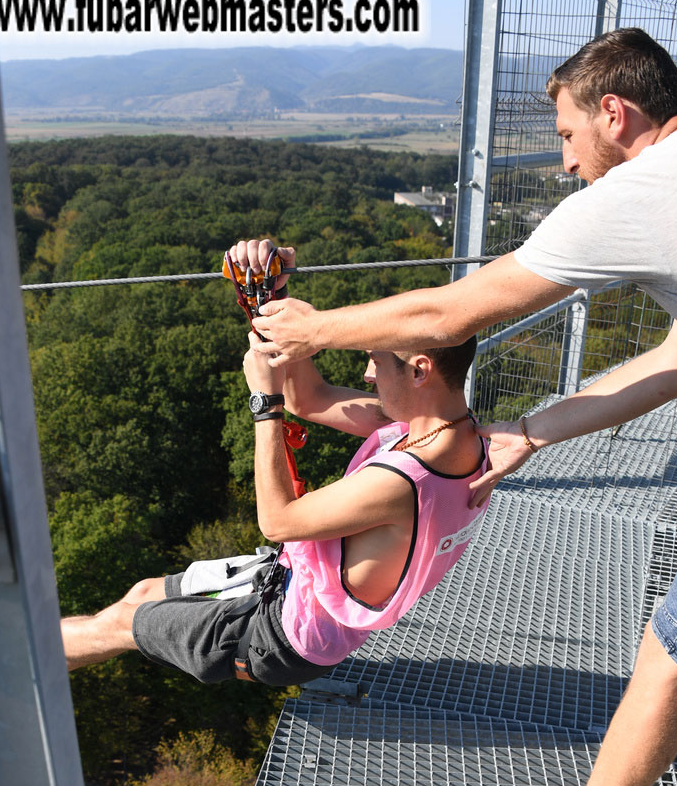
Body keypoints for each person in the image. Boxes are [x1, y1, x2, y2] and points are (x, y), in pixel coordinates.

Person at [250, 28, 677, 786]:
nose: (564, 163)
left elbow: (450, 310)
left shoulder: (648, 187)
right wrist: (537, 429)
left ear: (615, 115)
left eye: (565, 136)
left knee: (673, 650)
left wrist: (310, 329)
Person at [61, 240, 491, 686]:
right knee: (144, 593)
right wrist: (274, 304)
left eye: (376, 360)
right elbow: (310, 399)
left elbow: (278, 521)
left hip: (280, 636)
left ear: (419, 370)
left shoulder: (406, 480)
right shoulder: (452, 434)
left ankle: (5, 665)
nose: (367, 374)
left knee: (115, 627)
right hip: (290, 585)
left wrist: (265, 404)